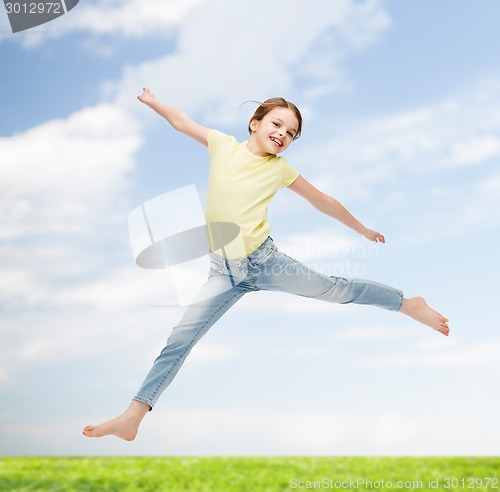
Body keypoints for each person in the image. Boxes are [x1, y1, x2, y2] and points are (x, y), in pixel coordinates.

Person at [83, 88, 449, 441]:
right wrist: (152, 102)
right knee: (180, 339)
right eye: (276, 125)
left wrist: (363, 229)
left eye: (290, 133)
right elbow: (181, 121)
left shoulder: (280, 169)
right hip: (223, 273)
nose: (282, 135)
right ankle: (133, 416)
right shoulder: (222, 146)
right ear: (254, 123)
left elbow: (322, 201)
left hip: (266, 263)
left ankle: (407, 303)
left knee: (337, 290)